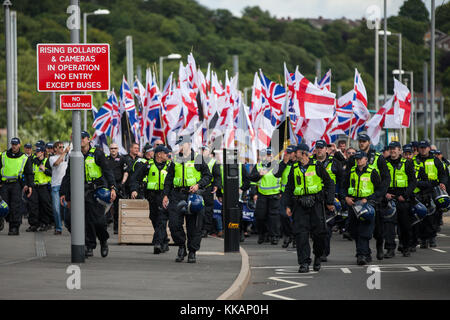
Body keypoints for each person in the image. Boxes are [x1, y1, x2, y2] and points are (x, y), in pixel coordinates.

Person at [60, 131, 117, 258]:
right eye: (77, 138)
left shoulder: (98, 153)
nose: (80, 140)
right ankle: (88, 245)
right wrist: (63, 193)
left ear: (88, 139)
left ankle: (103, 241)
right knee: (72, 220)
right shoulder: (74, 155)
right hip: (78, 192)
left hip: (95, 192)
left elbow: (108, 171)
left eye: (82, 138)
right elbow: (68, 175)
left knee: (97, 221)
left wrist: (113, 188)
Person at [285, 143, 335, 273]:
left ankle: (318, 256)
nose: (294, 154)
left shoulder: (317, 166)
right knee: (300, 235)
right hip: (300, 205)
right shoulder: (294, 168)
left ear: (303, 153)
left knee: (319, 234)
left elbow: (329, 183)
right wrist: (288, 205)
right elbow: (289, 188)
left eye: (296, 152)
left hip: (316, 205)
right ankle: (304, 263)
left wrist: (329, 201)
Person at [162, 135, 212, 263]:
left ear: (189, 144)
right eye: (178, 145)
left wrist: (198, 185)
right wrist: (165, 195)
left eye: (181, 145)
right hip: (177, 195)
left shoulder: (198, 159)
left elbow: (207, 176)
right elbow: (169, 179)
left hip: (194, 197)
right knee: (174, 225)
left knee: (194, 226)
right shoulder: (175, 160)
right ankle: (181, 247)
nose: (179, 148)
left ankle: (192, 251)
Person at [347, 133, 390, 260]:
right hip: (357, 199)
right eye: (360, 141)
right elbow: (348, 177)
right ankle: (364, 252)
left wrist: (380, 194)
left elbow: (386, 178)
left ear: (369, 143)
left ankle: (379, 246)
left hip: (374, 198)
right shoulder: (354, 158)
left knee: (378, 229)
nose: (361, 143)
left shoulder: (378, 157)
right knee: (357, 229)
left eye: (364, 141)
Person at [344, 150, 383, 265]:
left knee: (364, 231)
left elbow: (379, 190)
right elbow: (343, 187)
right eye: (356, 159)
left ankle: (362, 255)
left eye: (360, 158)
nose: (358, 161)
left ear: (366, 159)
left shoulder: (373, 172)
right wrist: (346, 198)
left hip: (367, 204)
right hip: (353, 204)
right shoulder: (351, 172)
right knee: (354, 231)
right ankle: (366, 252)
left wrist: (368, 198)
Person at [131, 145, 171, 254]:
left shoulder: (170, 165)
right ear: (159, 154)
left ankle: (157, 243)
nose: (168, 155)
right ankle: (164, 241)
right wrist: (134, 190)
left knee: (161, 219)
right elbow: (136, 178)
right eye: (165, 153)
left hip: (165, 196)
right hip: (152, 196)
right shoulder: (147, 165)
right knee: (153, 218)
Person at [312, 140, 344, 262]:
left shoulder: (335, 163)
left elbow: (342, 181)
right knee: (315, 227)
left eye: (321, 147)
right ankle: (317, 251)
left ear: (326, 149)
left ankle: (323, 253)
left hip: (330, 198)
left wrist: (341, 198)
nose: (319, 150)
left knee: (327, 226)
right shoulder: (310, 162)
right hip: (313, 198)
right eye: (317, 147)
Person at [384, 141, 417, 258]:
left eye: (395, 148)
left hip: (403, 198)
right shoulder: (384, 162)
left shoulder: (406, 163)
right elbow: (380, 180)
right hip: (389, 198)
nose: (393, 150)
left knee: (405, 225)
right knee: (389, 225)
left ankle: (406, 247)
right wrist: (385, 193)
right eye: (391, 148)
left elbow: (413, 181)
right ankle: (390, 249)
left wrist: (406, 195)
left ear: (399, 150)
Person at [414, 140, 447, 249]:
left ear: (429, 148)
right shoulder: (414, 160)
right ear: (418, 149)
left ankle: (432, 237)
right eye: (421, 147)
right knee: (420, 215)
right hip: (419, 190)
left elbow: (443, 174)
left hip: (432, 189)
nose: (423, 149)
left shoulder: (435, 160)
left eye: (425, 147)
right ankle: (423, 239)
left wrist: (442, 183)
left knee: (433, 215)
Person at [249, 148, 283, 245]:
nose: (267, 157)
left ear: (273, 155)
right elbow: (252, 179)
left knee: (274, 217)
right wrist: (254, 193)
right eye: (266, 155)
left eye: (269, 154)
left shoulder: (278, 165)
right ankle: (263, 234)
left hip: (275, 194)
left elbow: (284, 179)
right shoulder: (259, 165)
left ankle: (274, 236)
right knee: (260, 216)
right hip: (262, 195)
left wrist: (281, 192)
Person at [0, 138, 34, 235]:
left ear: (19, 145)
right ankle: (1, 220)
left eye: (16, 144)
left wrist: (30, 186)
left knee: (15, 206)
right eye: (12, 144)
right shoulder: (3, 155)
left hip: (16, 184)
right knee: (3, 205)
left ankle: (14, 227)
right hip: (4, 184)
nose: (14, 146)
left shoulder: (24, 157)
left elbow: (29, 173)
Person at [27, 146, 53, 232]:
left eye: (38, 152)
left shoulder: (46, 161)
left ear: (42, 152)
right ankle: (34, 224)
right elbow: (30, 174)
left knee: (45, 205)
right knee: (33, 206)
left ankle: (45, 223)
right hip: (35, 186)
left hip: (43, 186)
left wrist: (44, 169)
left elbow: (52, 173)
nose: (36, 153)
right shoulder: (33, 161)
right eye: (36, 152)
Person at [105, 142, 129, 234]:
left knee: (117, 208)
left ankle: (116, 228)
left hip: (119, 185)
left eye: (115, 148)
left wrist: (122, 183)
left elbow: (126, 172)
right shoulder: (106, 159)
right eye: (111, 148)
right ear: (109, 149)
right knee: (106, 207)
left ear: (118, 149)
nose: (113, 150)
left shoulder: (122, 159)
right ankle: (105, 224)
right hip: (108, 185)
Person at [200, 146, 222, 238]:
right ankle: (198, 228)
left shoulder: (213, 162)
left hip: (208, 188)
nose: (202, 152)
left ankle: (205, 229)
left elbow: (217, 176)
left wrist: (216, 186)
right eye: (201, 150)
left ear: (209, 153)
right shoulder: (196, 160)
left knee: (208, 210)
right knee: (198, 209)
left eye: (204, 150)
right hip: (197, 188)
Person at [278, 145, 297, 248]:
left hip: (296, 193)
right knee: (283, 215)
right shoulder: (284, 163)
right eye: (287, 153)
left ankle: (295, 237)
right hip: (285, 193)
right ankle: (288, 235)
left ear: (295, 153)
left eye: (290, 153)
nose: (288, 155)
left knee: (295, 217)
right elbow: (277, 174)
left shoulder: (298, 163)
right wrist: (284, 163)